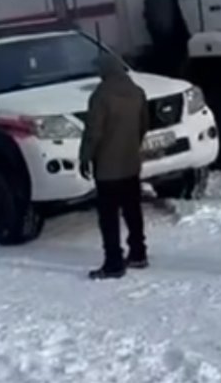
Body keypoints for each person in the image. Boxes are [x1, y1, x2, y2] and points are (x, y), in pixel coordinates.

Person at [78, 53, 150, 280]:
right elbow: (144, 125)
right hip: (130, 162)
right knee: (133, 210)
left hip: (107, 167)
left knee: (108, 217)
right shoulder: (137, 92)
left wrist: (85, 157)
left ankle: (113, 262)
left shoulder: (101, 96)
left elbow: (94, 133)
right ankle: (138, 252)